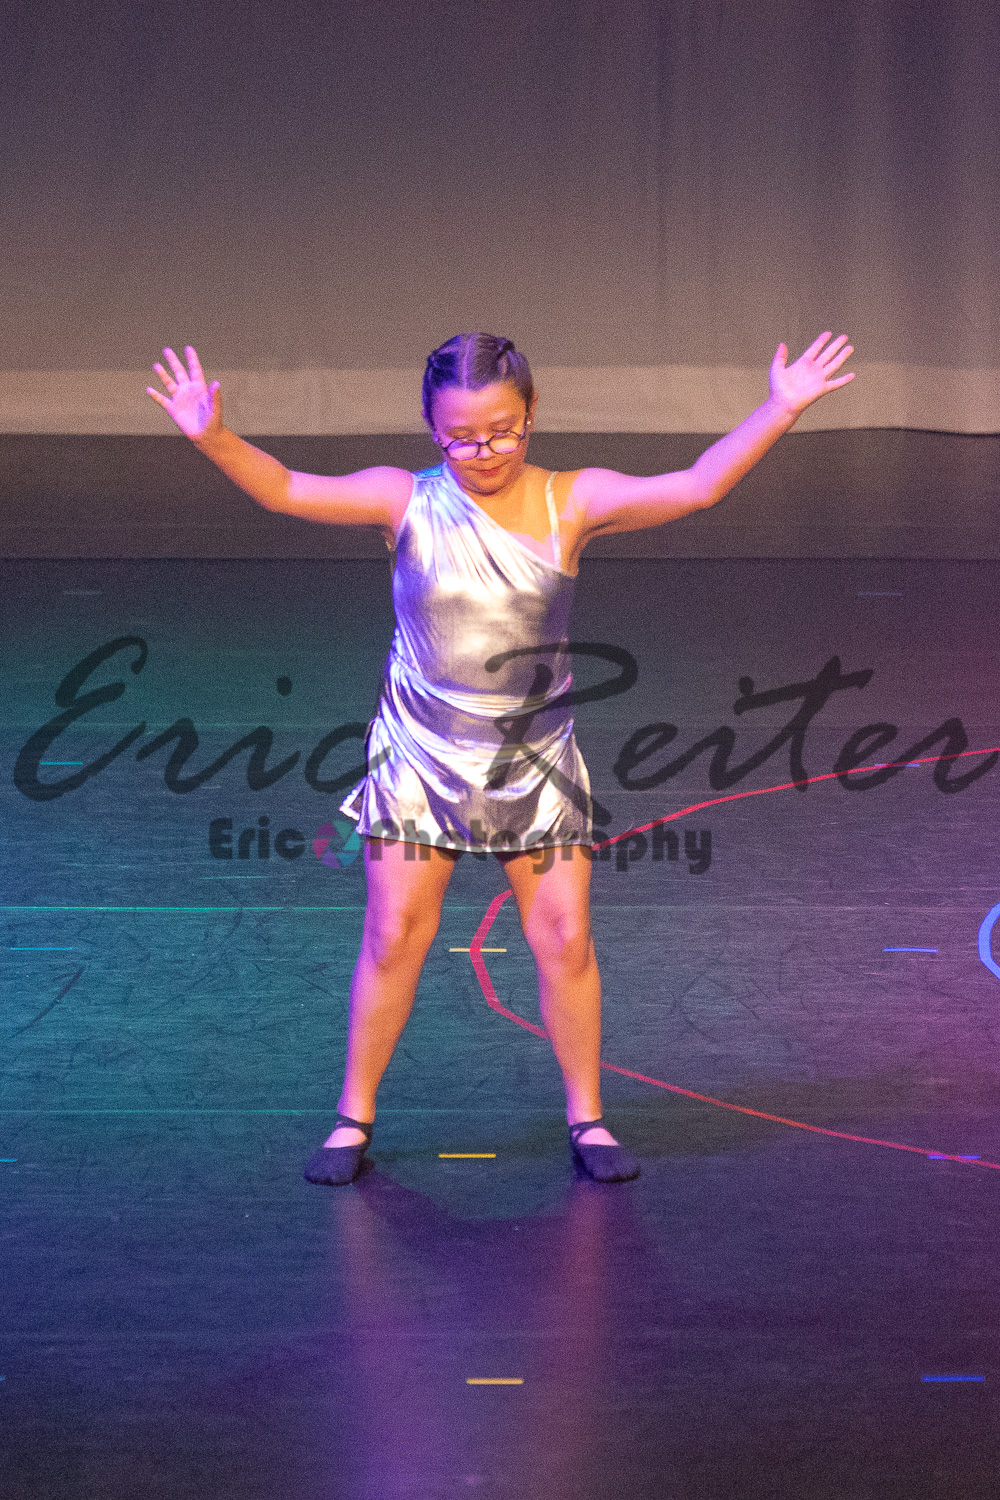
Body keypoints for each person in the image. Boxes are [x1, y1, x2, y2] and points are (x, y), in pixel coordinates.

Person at [146, 329, 855, 1184]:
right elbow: (289, 488)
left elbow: (697, 485)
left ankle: (588, 1118)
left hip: (535, 763)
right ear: (431, 429)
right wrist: (212, 436)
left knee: (565, 938)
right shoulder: (404, 500)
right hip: (420, 757)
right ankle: (352, 1118)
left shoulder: (572, 500)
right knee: (393, 936)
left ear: (531, 416)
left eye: (502, 432)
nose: (484, 452)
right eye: (461, 438)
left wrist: (779, 407)